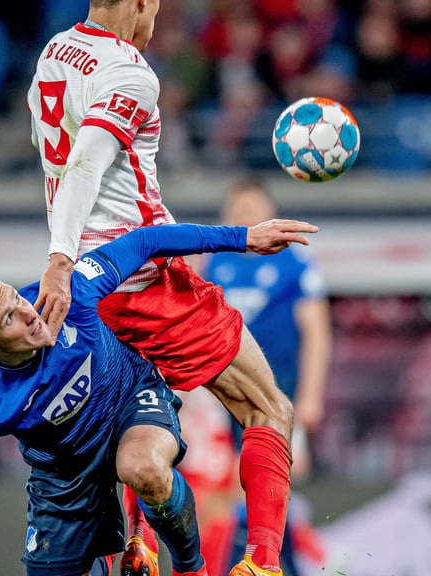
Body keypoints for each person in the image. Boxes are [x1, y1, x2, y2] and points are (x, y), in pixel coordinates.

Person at [27, 2, 300, 574]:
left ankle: (139, 543)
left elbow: (62, 165)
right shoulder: (131, 73)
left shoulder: (54, 53)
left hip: (87, 294)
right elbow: (84, 164)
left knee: (134, 417)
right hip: (141, 281)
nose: (157, 18)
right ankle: (264, 563)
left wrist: (64, 264)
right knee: (269, 409)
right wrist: (59, 257)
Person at [0, 218, 318, 576]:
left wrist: (242, 238)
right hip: (65, 471)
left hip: (129, 404)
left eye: (15, 299)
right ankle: (127, 536)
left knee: (143, 468)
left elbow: (147, 240)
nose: (28, 314)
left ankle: (191, 567)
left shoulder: (66, 293)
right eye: (9, 319)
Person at [202, 180, 333, 576]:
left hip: (280, 393)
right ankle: (259, 562)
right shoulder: (212, 265)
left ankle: (269, 563)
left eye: (253, 207)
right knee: (236, 483)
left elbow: (316, 330)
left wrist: (310, 395)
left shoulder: (294, 265)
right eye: (238, 209)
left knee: (274, 478)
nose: (245, 215)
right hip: (225, 393)